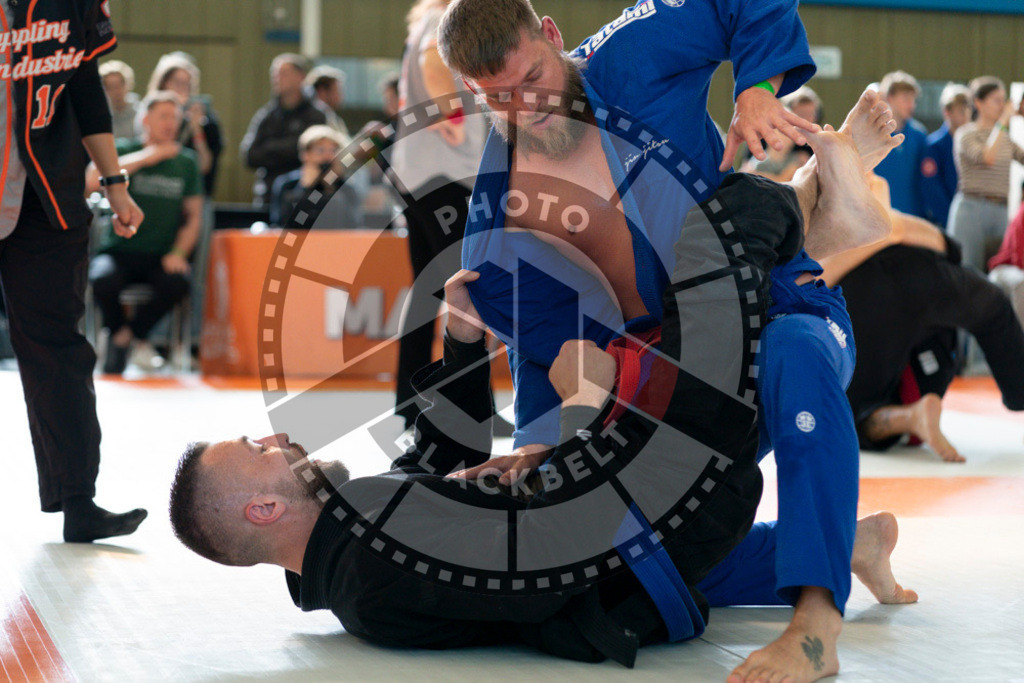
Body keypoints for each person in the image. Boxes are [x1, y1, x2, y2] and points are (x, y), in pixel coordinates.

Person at [170, 179, 912, 666]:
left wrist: (462, 346)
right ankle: (822, 226)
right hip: (652, 511)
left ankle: (855, 540)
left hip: (638, 526)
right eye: (258, 450)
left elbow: (442, 459)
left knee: (503, 299)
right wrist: (585, 417)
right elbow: (546, 558)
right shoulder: (370, 560)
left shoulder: (350, 542)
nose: (276, 439)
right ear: (263, 509)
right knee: (719, 239)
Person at [434, 2, 904, 681]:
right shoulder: (498, 227)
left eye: (532, 77)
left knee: (793, 352)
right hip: (667, 381)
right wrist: (537, 450)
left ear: (552, 37)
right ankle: (845, 541)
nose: (526, 106)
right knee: (625, 562)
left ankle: (815, 622)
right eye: (496, 99)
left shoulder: (631, 53)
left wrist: (755, 89)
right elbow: (551, 359)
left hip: (771, 306)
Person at [0, 0, 148, 542]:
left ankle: (77, 500)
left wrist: (115, 182)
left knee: (58, 347)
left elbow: (86, 86)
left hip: (48, 195)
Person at [819, 203, 1024, 462]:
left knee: (849, 414)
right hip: (928, 272)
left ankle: (909, 417)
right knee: (994, 308)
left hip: (868, 291)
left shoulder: (819, 222)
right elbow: (947, 247)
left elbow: (815, 281)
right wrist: (893, 231)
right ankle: (1020, 394)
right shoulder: (881, 211)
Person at [390, 0, 489, 430]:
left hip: (419, 173)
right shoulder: (441, 22)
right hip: (441, 172)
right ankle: (465, 405)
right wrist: (452, 121)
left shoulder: (422, 24)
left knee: (429, 287)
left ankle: (409, 401)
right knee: (460, 287)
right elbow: (435, 67)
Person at [86, 91, 204, 374]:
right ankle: (124, 337)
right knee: (101, 280)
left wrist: (178, 252)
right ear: (145, 120)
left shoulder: (186, 162)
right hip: (120, 251)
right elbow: (91, 180)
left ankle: (125, 337)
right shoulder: (125, 150)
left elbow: (194, 217)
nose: (170, 123)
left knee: (178, 282)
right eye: (163, 116)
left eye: (175, 118)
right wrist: (149, 157)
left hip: (160, 254)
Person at [948, 76, 1024, 272]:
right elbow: (987, 157)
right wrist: (1003, 122)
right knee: (968, 271)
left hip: (1000, 209)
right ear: (978, 103)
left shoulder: (1004, 138)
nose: (1003, 105)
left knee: (998, 271)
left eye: (1004, 100)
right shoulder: (966, 133)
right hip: (972, 210)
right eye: (997, 100)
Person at [241, 53, 336, 206]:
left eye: (283, 73)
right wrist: (289, 148)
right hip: (268, 198)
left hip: (304, 198)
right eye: (275, 74)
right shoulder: (266, 115)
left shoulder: (317, 115)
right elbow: (249, 156)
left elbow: (315, 152)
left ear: (300, 77)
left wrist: (270, 148)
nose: (277, 79)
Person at [145, 52, 224, 197]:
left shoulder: (206, 119)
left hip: (190, 193)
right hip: (153, 187)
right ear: (163, 83)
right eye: (177, 82)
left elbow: (205, 165)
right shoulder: (147, 113)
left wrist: (196, 129)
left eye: (187, 84)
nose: (182, 88)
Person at [270, 124, 368, 228]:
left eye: (333, 151)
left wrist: (330, 188)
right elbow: (282, 224)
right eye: (320, 150)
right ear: (305, 154)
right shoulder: (287, 185)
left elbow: (354, 226)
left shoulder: (347, 189)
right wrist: (304, 189)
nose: (327, 156)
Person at [873, 71, 929, 219]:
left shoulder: (919, 135)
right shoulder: (873, 133)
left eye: (913, 99)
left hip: (912, 218)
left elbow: (925, 180)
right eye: (906, 99)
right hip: (879, 217)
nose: (911, 105)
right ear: (890, 98)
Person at [921, 83, 972, 230]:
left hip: (970, 218)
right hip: (945, 221)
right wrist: (950, 218)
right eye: (961, 111)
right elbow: (932, 189)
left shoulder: (972, 145)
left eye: (968, 111)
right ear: (947, 112)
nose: (966, 116)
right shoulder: (934, 146)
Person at [988, 200, 1024, 328]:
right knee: (1022, 283)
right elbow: (1019, 258)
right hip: (1003, 269)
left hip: (1018, 269)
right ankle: (1020, 343)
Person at [99, 59, 140, 140]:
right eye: (110, 87)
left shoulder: (140, 111)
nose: (116, 91)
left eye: (119, 85)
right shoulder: (100, 114)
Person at [305, 65, 350, 136]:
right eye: (337, 91)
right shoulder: (313, 119)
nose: (340, 96)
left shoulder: (333, 118)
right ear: (322, 92)